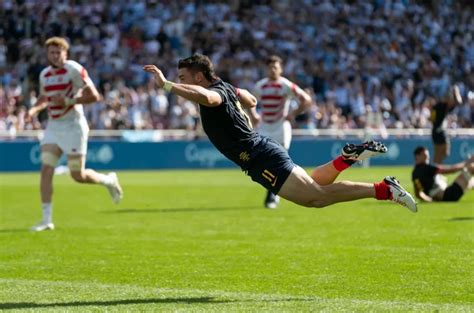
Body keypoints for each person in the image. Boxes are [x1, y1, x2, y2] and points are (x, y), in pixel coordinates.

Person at [143, 54, 417, 212]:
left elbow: (207, 98)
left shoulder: (212, 93)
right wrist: (245, 103)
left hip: (259, 157)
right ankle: (345, 159)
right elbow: (250, 99)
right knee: (314, 186)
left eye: (183, 78)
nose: (181, 82)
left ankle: (384, 190)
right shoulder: (227, 87)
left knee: (316, 198)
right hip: (263, 148)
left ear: (199, 77)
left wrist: (167, 85)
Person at [26, 37, 123, 231]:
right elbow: (45, 97)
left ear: (65, 53)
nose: (55, 56)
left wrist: (69, 101)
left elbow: (94, 96)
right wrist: (33, 110)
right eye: (51, 53)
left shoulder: (74, 69)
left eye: (58, 52)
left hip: (73, 126)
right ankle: (47, 220)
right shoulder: (45, 74)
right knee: (46, 169)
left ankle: (108, 180)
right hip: (54, 126)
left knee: (77, 175)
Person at [252, 55, 312, 209]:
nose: (273, 70)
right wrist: (253, 115)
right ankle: (274, 192)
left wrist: (293, 113)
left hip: (280, 128)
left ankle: (272, 194)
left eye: (275, 67)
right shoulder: (261, 85)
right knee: (265, 163)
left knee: (278, 163)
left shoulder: (285, 85)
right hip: (264, 128)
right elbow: (250, 101)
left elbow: (306, 99)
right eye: (270, 67)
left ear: (281, 69)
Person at [430, 84, 462, 164]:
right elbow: (459, 102)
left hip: (436, 131)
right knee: (441, 154)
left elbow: (431, 119)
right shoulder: (444, 106)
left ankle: (435, 169)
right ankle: (435, 171)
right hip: (439, 131)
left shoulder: (436, 106)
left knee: (441, 155)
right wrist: (456, 91)